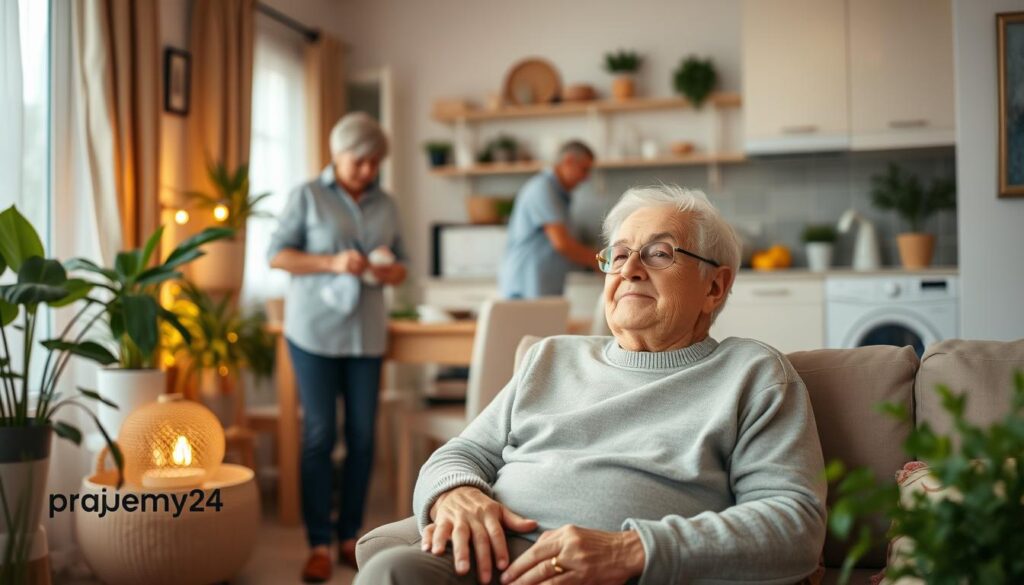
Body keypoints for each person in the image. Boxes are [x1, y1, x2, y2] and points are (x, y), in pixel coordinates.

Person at [356, 185, 826, 585]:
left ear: (715, 288)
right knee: (390, 571)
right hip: (489, 559)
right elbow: (461, 453)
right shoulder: (552, 356)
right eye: (619, 255)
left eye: (660, 253)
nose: (629, 269)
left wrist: (630, 551)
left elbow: (794, 523)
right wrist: (454, 492)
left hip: (627, 573)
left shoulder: (752, 373)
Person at [268, 111, 408, 583]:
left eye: (375, 163)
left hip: (367, 335)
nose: (368, 171)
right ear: (337, 153)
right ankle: (317, 543)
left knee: (364, 436)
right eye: (360, 162)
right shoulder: (307, 196)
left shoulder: (387, 204)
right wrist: (331, 260)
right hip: (313, 334)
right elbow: (277, 254)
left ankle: (350, 536)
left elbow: (405, 261)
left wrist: (392, 271)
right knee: (320, 435)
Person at [498, 141, 601, 299]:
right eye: (584, 170)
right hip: (527, 285)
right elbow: (562, 243)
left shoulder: (558, 194)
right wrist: (602, 261)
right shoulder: (542, 189)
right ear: (568, 161)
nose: (586, 177)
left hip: (541, 285)